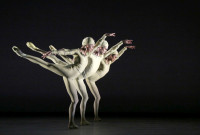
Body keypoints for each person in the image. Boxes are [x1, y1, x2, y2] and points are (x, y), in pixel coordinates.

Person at [12, 34, 110, 129]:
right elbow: (65, 51)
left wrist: (104, 36)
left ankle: (71, 123)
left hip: (73, 78)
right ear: (85, 45)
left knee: (75, 100)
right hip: (69, 71)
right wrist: (54, 52)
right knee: (48, 64)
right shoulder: (78, 51)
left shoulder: (89, 52)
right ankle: (23, 54)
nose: (92, 48)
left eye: (93, 46)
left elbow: (98, 43)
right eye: (90, 46)